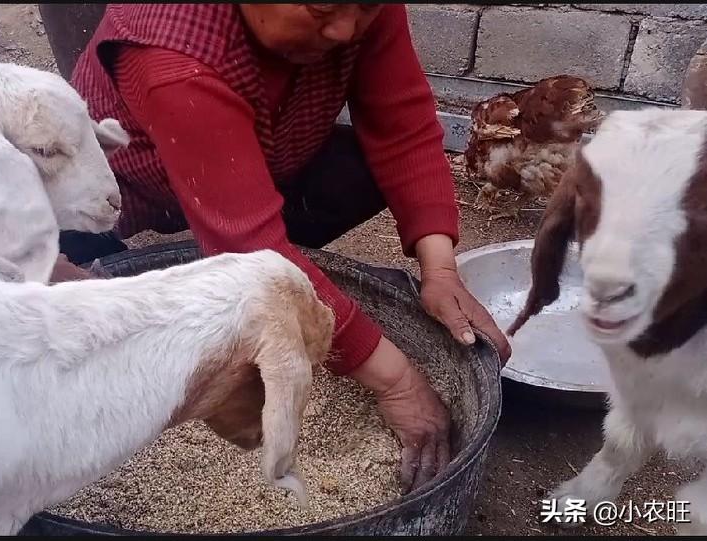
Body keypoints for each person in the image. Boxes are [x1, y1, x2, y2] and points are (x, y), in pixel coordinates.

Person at [52, 3, 512, 492]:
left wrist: (439, 267)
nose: (344, 30)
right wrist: (398, 384)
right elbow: (253, 247)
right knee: (61, 278)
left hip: (252, 156)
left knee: (354, 172)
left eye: (366, 9)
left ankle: (279, 250)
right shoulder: (170, 51)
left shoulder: (355, 11)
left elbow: (403, 124)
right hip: (127, 185)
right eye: (320, 9)